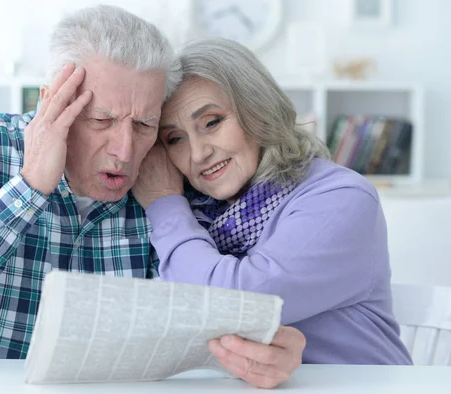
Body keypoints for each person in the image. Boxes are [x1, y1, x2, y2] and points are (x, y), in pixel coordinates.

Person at [0, 6, 304, 388]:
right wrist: (28, 187)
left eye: (144, 125)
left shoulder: (166, 177)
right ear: (52, 102)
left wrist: (268, 349)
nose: (125, 151)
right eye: (101, 120)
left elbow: (207, 321)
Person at [133, 37, 413, 366]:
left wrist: (164, 205)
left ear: (258, 109)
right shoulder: (200, 212)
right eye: (175, 139)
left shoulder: (342, 198)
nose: (198, 153)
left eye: (212, 122)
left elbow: (232, 303)